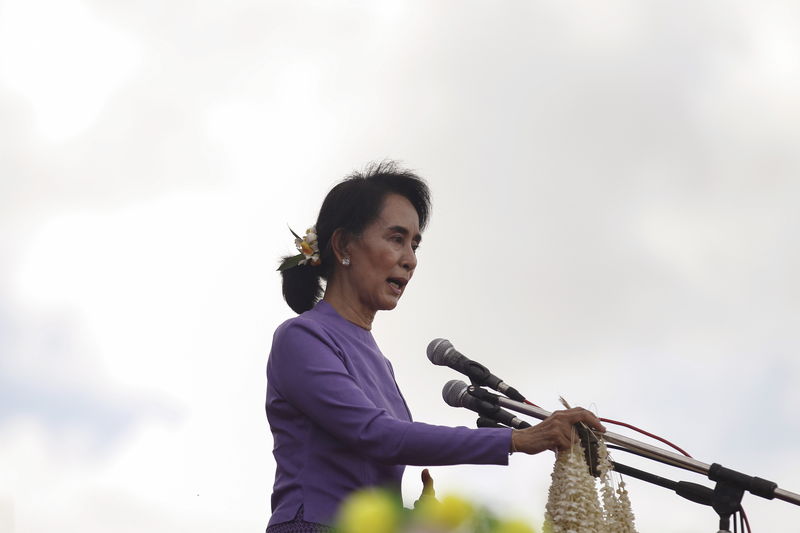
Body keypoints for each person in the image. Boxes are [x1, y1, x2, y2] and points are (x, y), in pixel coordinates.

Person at [265, 161, 605, 532]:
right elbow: (378, 436)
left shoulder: (379, 361)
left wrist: (413, 518)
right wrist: (518, 439)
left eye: (414, 244)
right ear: (344, 244)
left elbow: (374, 465)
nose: (410, 259)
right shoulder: (301, 337)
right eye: (396, 239)